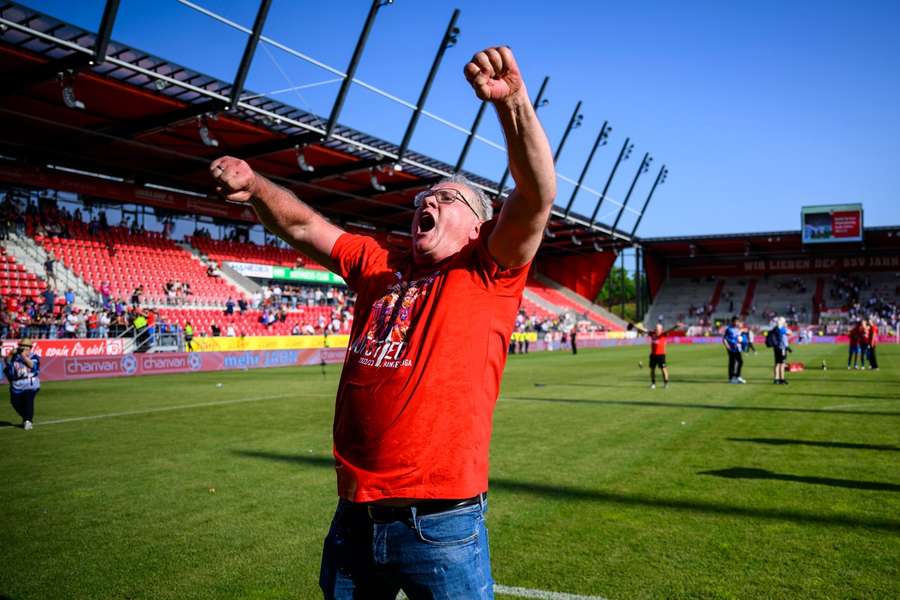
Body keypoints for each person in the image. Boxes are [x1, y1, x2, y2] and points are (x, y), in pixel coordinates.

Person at [211, 45, 556, 599]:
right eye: (423, 196)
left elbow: (536, 195)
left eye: (444, 197)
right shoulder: (381, 264)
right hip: (354, 517)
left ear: (476, 225)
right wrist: (255, 187)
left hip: (440, 523)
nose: (426, 201)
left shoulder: (489, 269)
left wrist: (513, 103)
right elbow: (303, 226)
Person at [4, 338, 40, 430]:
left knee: (28, 400)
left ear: (30, 348)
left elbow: (32, 365)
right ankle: (26, 417)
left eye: (26, 347)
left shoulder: (34, 356)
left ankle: (28, 421)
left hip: (30, 384)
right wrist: (11, 354)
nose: (24, 348)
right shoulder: (15, 357)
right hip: (17, 385)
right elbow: (7, 362)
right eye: (22, 346)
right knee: (15, 403)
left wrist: (23, 356)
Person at [635, 322, 683, 389]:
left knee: (663, 369)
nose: (656, 330)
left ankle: (666, 383)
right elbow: (644, 331)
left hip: (661, 355)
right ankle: (653, 383)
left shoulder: (663, 334)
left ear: (661, 329)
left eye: (657, 329)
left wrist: (676, 326)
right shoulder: (652, 333)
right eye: (656, 328)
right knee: (652, 370)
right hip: (653, 355)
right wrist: (638, 328)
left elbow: (670, 330)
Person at [722, 316, 745, 383]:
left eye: (737, 321)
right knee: (732, 362)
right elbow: (724, 339)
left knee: (740, 361)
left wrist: (741, 341)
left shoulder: (737, 329)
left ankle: (737, 376)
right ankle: (731, 378)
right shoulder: (729, 329)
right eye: (735, 321)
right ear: (732, 322)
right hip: (731, 348)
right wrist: (727, 347)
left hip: (737, 348)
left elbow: (738, 337)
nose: (736, 323)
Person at [772, 316, 792, 384]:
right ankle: (782, 379)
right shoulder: (782, 329)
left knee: (777, 364)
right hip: (782, 348)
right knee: (782, 364)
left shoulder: (775, 328)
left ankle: (776, 379)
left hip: (776, 348)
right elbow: (790, 333)